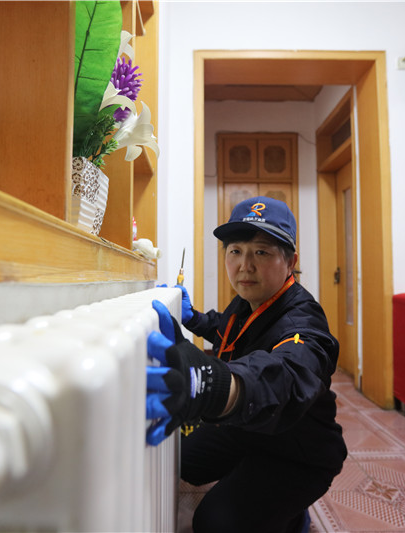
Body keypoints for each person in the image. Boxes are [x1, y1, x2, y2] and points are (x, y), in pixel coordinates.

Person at [146, 196, 347, 533]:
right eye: (235, 251)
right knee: (186, 461)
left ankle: (292, 515)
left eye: (262, 252)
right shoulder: (249, 300)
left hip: (297, 452)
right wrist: (193, 318)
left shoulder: (303, 318)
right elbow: (227, 330)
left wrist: (212, 384)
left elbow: (288, 373)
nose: (245, 265)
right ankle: (250, 479)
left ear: (290, 261)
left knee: (213, 523)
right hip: (251, 428)